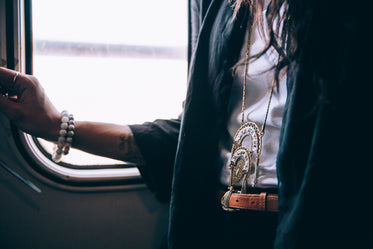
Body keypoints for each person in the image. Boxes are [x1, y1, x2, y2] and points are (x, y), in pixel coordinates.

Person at [0, 0, 370, 248]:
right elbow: (192, 138)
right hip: (219, 225)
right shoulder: (227, 12)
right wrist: (54, 125)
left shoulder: (348, 18)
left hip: (312, 223)